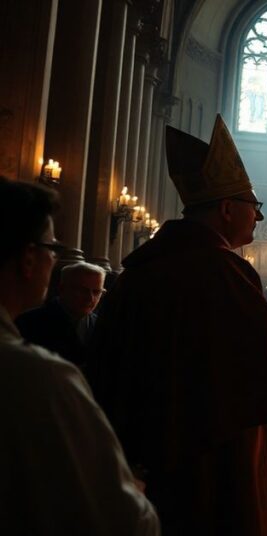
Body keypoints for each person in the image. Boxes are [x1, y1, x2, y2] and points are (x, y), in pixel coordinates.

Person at [89, 116, 267, 535]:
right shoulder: (223, 270)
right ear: (226, 209)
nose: (258, 218)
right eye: (254, 207)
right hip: (215, 457)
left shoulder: (139, 272)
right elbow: (260, 369)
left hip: (149, 449)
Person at [0, 178, 160, 535]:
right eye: (51, 248)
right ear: (28, 258)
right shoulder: (42, 376)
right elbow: (128, 521)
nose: (53, 258)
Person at [16, 261, 106, 367]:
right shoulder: (29, 322)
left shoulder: (102, 325)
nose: (90, 298)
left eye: (96, 292)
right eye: (83, 290)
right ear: (62, 289)